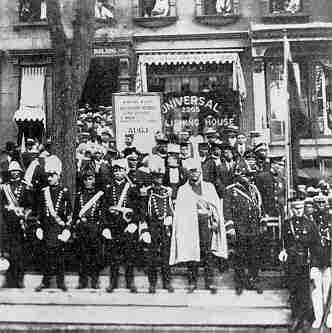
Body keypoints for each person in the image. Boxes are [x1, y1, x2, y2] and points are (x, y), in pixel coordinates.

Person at [169, 158, 228, 293]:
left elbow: (215, 205)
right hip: (190, 224)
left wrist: (213, 216)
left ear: (200, 173)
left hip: (205, 223)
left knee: (207, 252)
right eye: (192, 171)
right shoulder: (183, 190)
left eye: (197, 172)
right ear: (188, 173)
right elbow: (181, 211)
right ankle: (192, 282)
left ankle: (210, 282)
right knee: (192, 252)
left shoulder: (209, 187)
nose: (194, 174)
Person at [278, 199, 319, 332]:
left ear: (304, 208)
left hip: (304, 264)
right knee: (293, 292)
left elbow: (315, 246)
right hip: (291, 263)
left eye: (300, 208)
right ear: (291, 209)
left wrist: (313, 266)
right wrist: (282, 251)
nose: (298, 210)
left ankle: (303, 321)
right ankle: (296, 318)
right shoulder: (286, 224)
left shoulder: (310, 224)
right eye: (295, 208)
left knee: (304, 293)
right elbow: (282, 242)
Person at [35, 156, 72, 292]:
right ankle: (45, 282)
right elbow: (39, 212)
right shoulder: (43, 192)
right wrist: (38, 227)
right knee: (47, 257)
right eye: (48, 175)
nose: (49, 178)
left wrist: (67, 229)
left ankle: (61, 282)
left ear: (58, 176)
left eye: (52, 175)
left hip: (59, 229)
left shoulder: (65, 191)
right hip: (47, 229)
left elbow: (69, 214)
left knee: (60, 258)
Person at [102, 159, 139, 293]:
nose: (118, 172)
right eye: (116, 170)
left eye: (121, 170)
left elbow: (137, 208)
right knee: (114, 257)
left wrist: (134, 223)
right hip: (113, 227)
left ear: (125, 171)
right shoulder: (108, 188)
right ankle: (113, 282)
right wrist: (105, 227)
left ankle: (130, 282)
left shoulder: (132, 188)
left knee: (129, 256)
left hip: (127, 227)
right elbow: (104, 209)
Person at [223, 170, 264, 295]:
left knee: (254, 256)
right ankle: (239, 283)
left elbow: (259, 207)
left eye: (249, 175)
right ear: (238, 176)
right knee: (240, 257)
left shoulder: (254, 189)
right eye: (245, 175)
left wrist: (262, 222)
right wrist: (230, 227)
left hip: (253, 228)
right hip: (240, 228)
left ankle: (253, 280)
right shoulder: (230, 190)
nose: (248, 177)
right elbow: (227, 210)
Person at [140, 161, 174, 293]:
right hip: (152, 225)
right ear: (152, 178)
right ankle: (152, 283)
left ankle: (167, 282)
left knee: (166, 255)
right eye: (155, 177)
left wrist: (170, 218)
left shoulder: (167, 191)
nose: (158, 179)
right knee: (152, 256)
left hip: (165, 226)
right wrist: (144, 229)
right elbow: (143, 212)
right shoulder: (147, 192)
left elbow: (170, 208)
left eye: (160, 177)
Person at [0, 161, 33, 288]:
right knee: (10, 253)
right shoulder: (4, 188)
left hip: (20, 225)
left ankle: (19, 279)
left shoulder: (26, 187)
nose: (14, 173)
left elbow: (30, 206)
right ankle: (10, 280)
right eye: (12, 171)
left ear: (20, 172)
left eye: (16, 171)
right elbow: (2, 205)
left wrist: (24, 213)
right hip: (8, 225)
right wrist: (6, 208)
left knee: (20, 254)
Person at [73, 165, 105, 289]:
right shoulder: (79, 195)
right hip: (82, 229)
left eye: (90, 179)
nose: (87, 181)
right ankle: (83, 280)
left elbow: (102, 213)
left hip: (94, 228)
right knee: (82, 256)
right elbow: (76, 213)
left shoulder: (99, 195)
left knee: (95, 256)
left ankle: (95, 280)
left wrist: (99, 227)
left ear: (95, 180)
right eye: (85, 179)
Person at [311, 195, 332, 328]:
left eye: (322, 203)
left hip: (329, 259)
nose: (320, 205)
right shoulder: (309, 221)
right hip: (315, 260)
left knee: (329, 291)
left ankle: (329, 316)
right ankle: (318, 317)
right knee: (316, 290)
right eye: (317, 203)